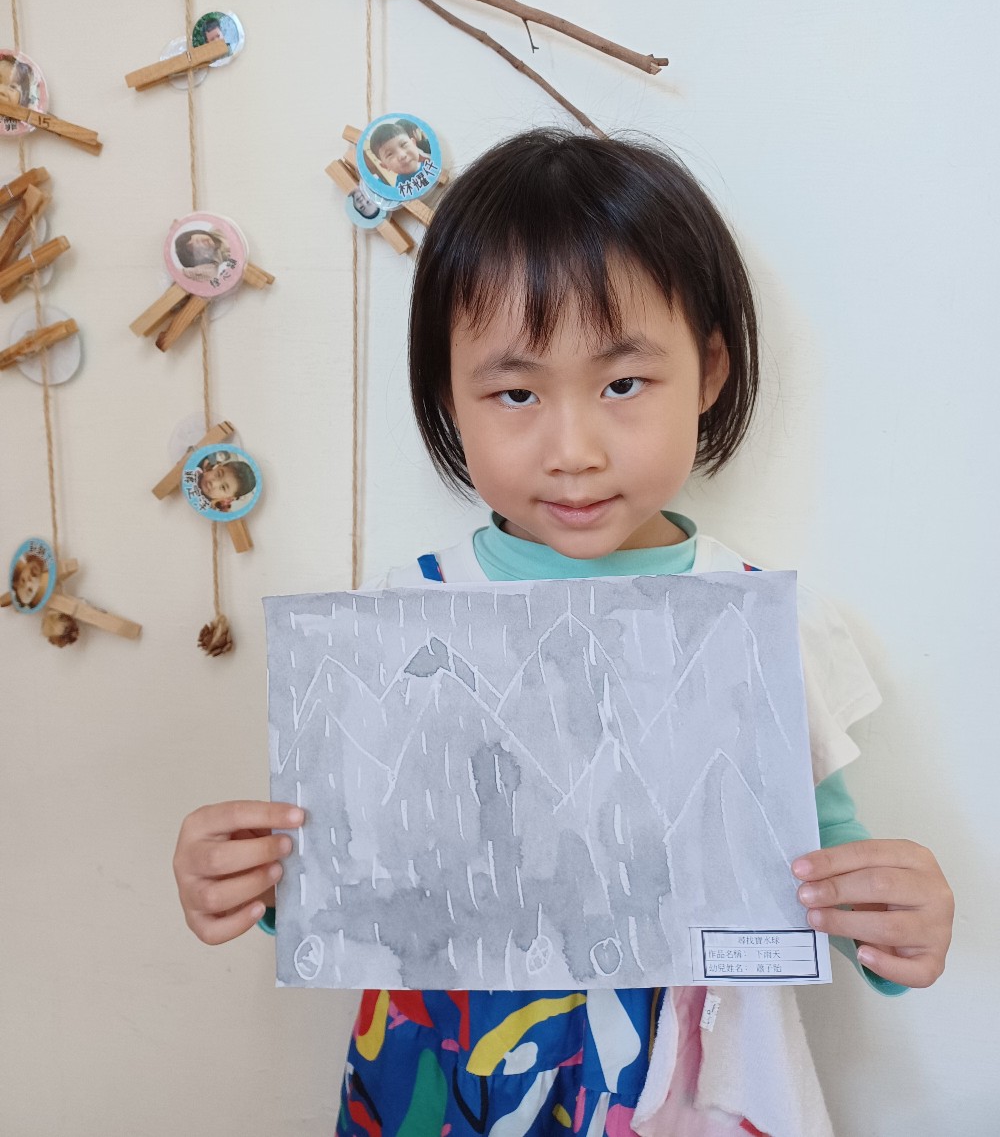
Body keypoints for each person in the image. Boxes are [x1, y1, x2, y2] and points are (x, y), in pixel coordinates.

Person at [173, 131, 954, 1135]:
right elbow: (356, 875)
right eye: (515, 393)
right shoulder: (402, 622)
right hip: (457, 1080)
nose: (573, 449)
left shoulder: (764, 620)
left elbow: (822, 865)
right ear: (448, 396)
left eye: (623, 384)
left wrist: (895, 922)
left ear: (710, 370)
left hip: (689, 1084)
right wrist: (255, 882)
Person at [367, 120, 439, 198]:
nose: (402, 155)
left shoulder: (430, 164)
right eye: (390, 154)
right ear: (385, 166)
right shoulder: (402, 188)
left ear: (413, 143)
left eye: (403, 144)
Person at [172, 227, 238, 288]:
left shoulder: (218, 229)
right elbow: (183, 273)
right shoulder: (211, 267)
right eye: (198, 251)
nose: (201, 244)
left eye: (198, 240)